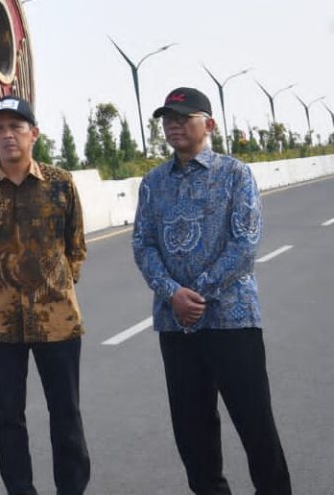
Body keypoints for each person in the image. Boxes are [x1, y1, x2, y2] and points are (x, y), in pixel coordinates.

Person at [131, 86, 292, 495]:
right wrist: (172, 294)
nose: (173, 124)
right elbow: (143, 243)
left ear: (209, 124)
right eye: (168, 118)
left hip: (232, 321)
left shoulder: (235, 173)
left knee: (256, 427)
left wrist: (195, 296)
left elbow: (245, 244)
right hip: (176, 325)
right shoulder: (152, 183)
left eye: (183, 117)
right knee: (193, 435)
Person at [0, 95, 90, 495]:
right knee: (8, 418)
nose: (7, 135)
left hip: (57, 322)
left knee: (65, 413)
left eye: (16, 127)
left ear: (33, 134)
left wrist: (55, 288)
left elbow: (76, 247)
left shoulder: (60, 183)